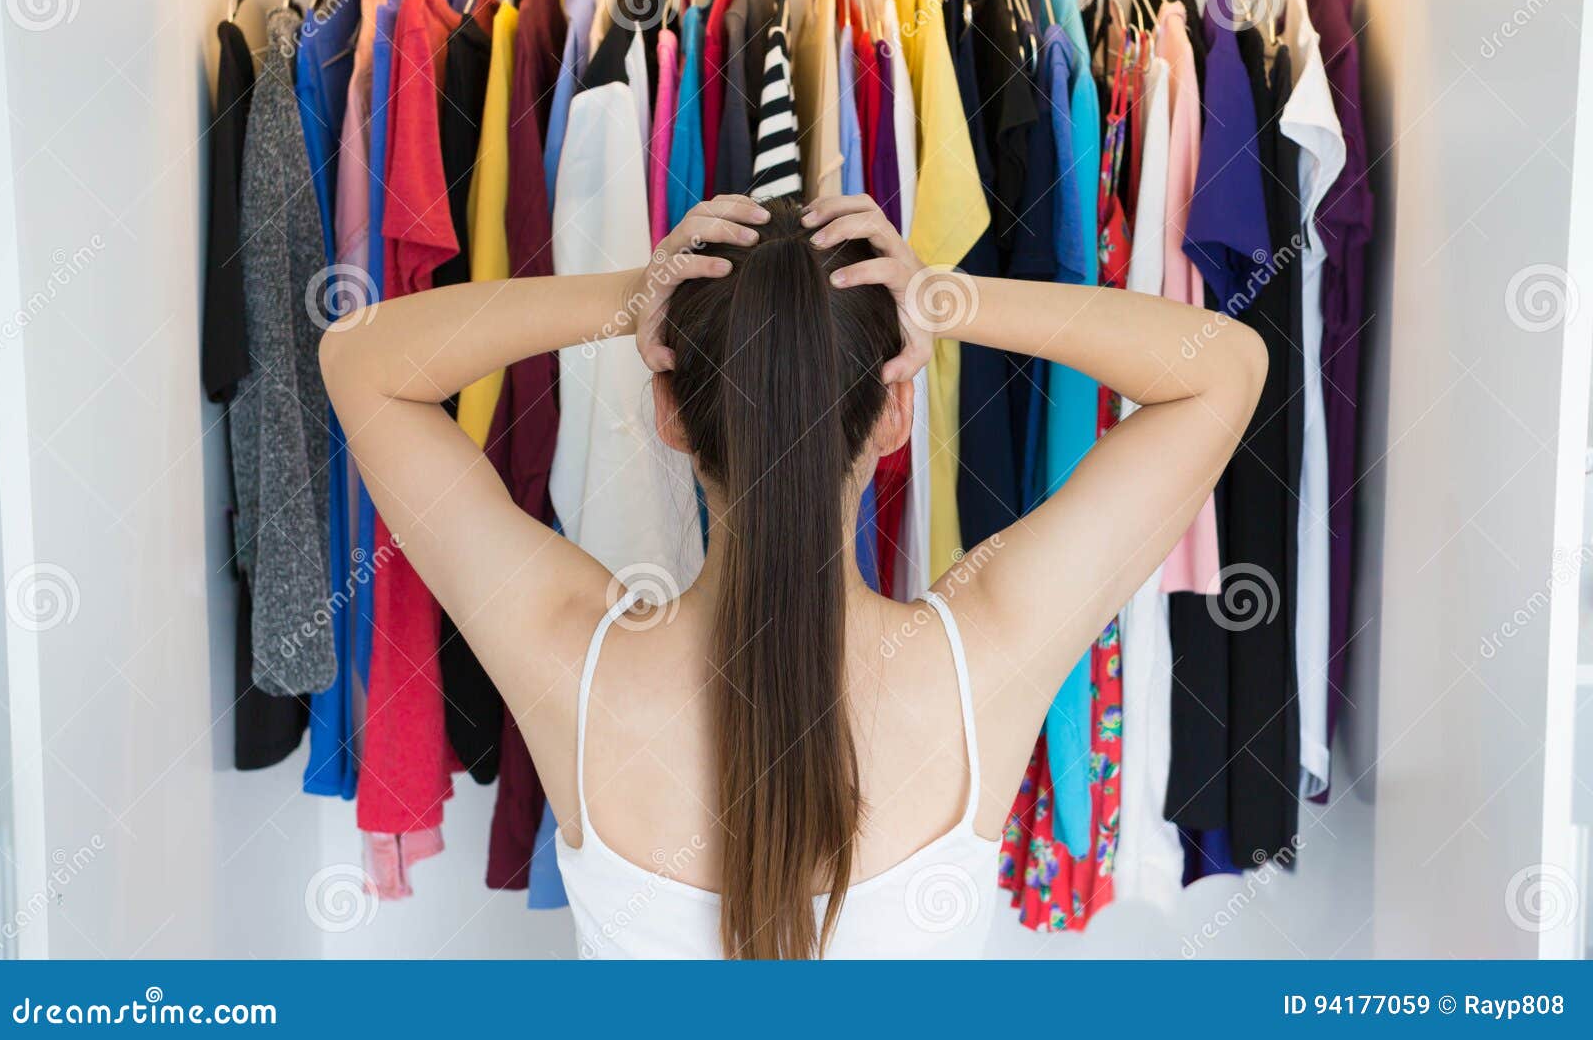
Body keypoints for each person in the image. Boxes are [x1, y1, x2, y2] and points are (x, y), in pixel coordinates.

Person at [320, 194, 1266, 959]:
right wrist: (947, 298)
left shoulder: (571, 653)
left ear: (669, 412)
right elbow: (1222, 367)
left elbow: (360, 360)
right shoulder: (987, 652)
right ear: (895, 414)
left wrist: (627, 296)